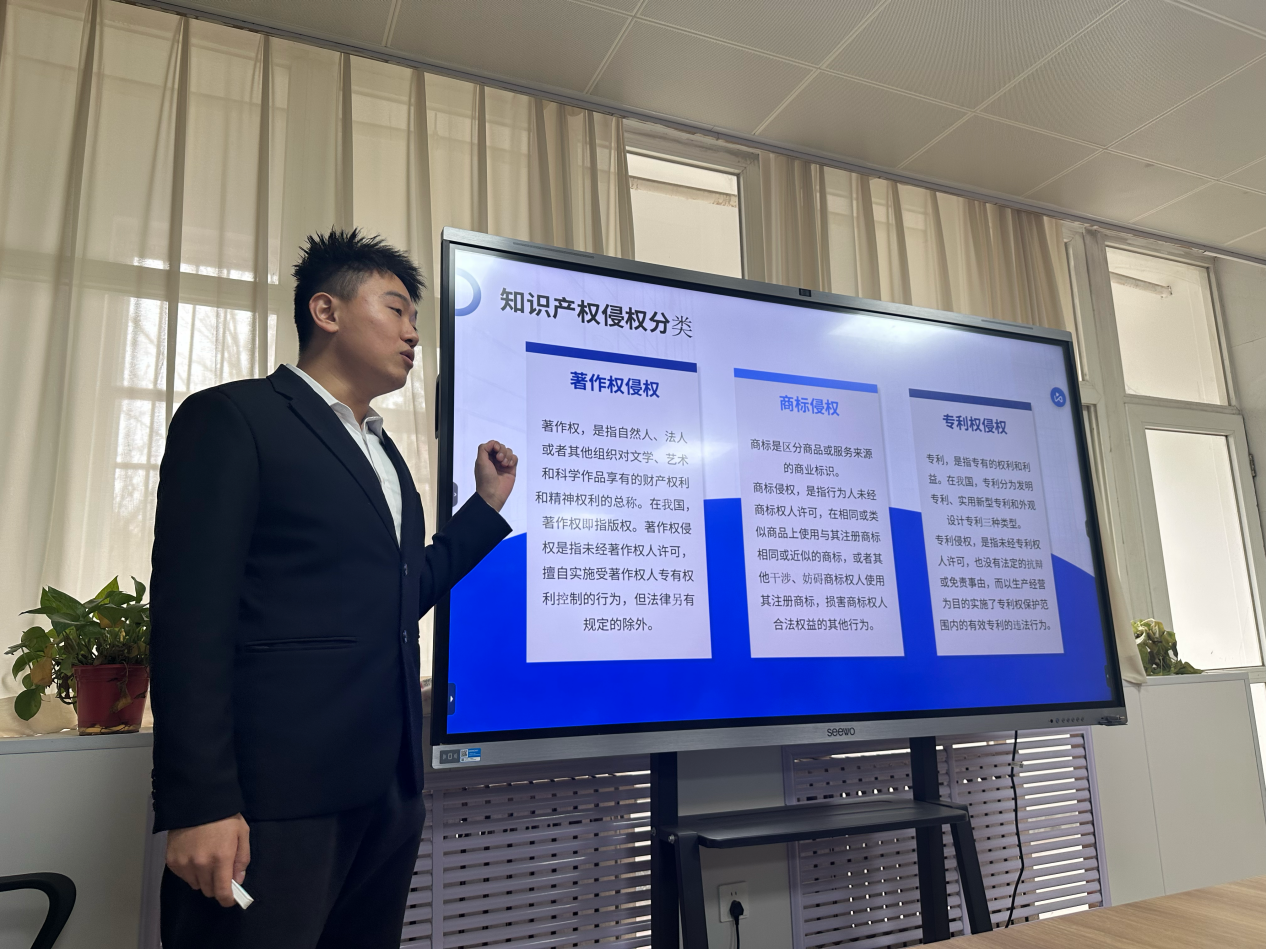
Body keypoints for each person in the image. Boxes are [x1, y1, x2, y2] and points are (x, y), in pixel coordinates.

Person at [149, 228, 516, 948]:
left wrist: (485, 509)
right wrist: (201, 802)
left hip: (386, 794)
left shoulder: (385, 455)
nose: (414, 334)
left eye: (416, 319)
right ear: (326, 310)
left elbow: (398, 598)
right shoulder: (235, 418)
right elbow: (191, 618)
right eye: (397, 310)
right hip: (272, 802)